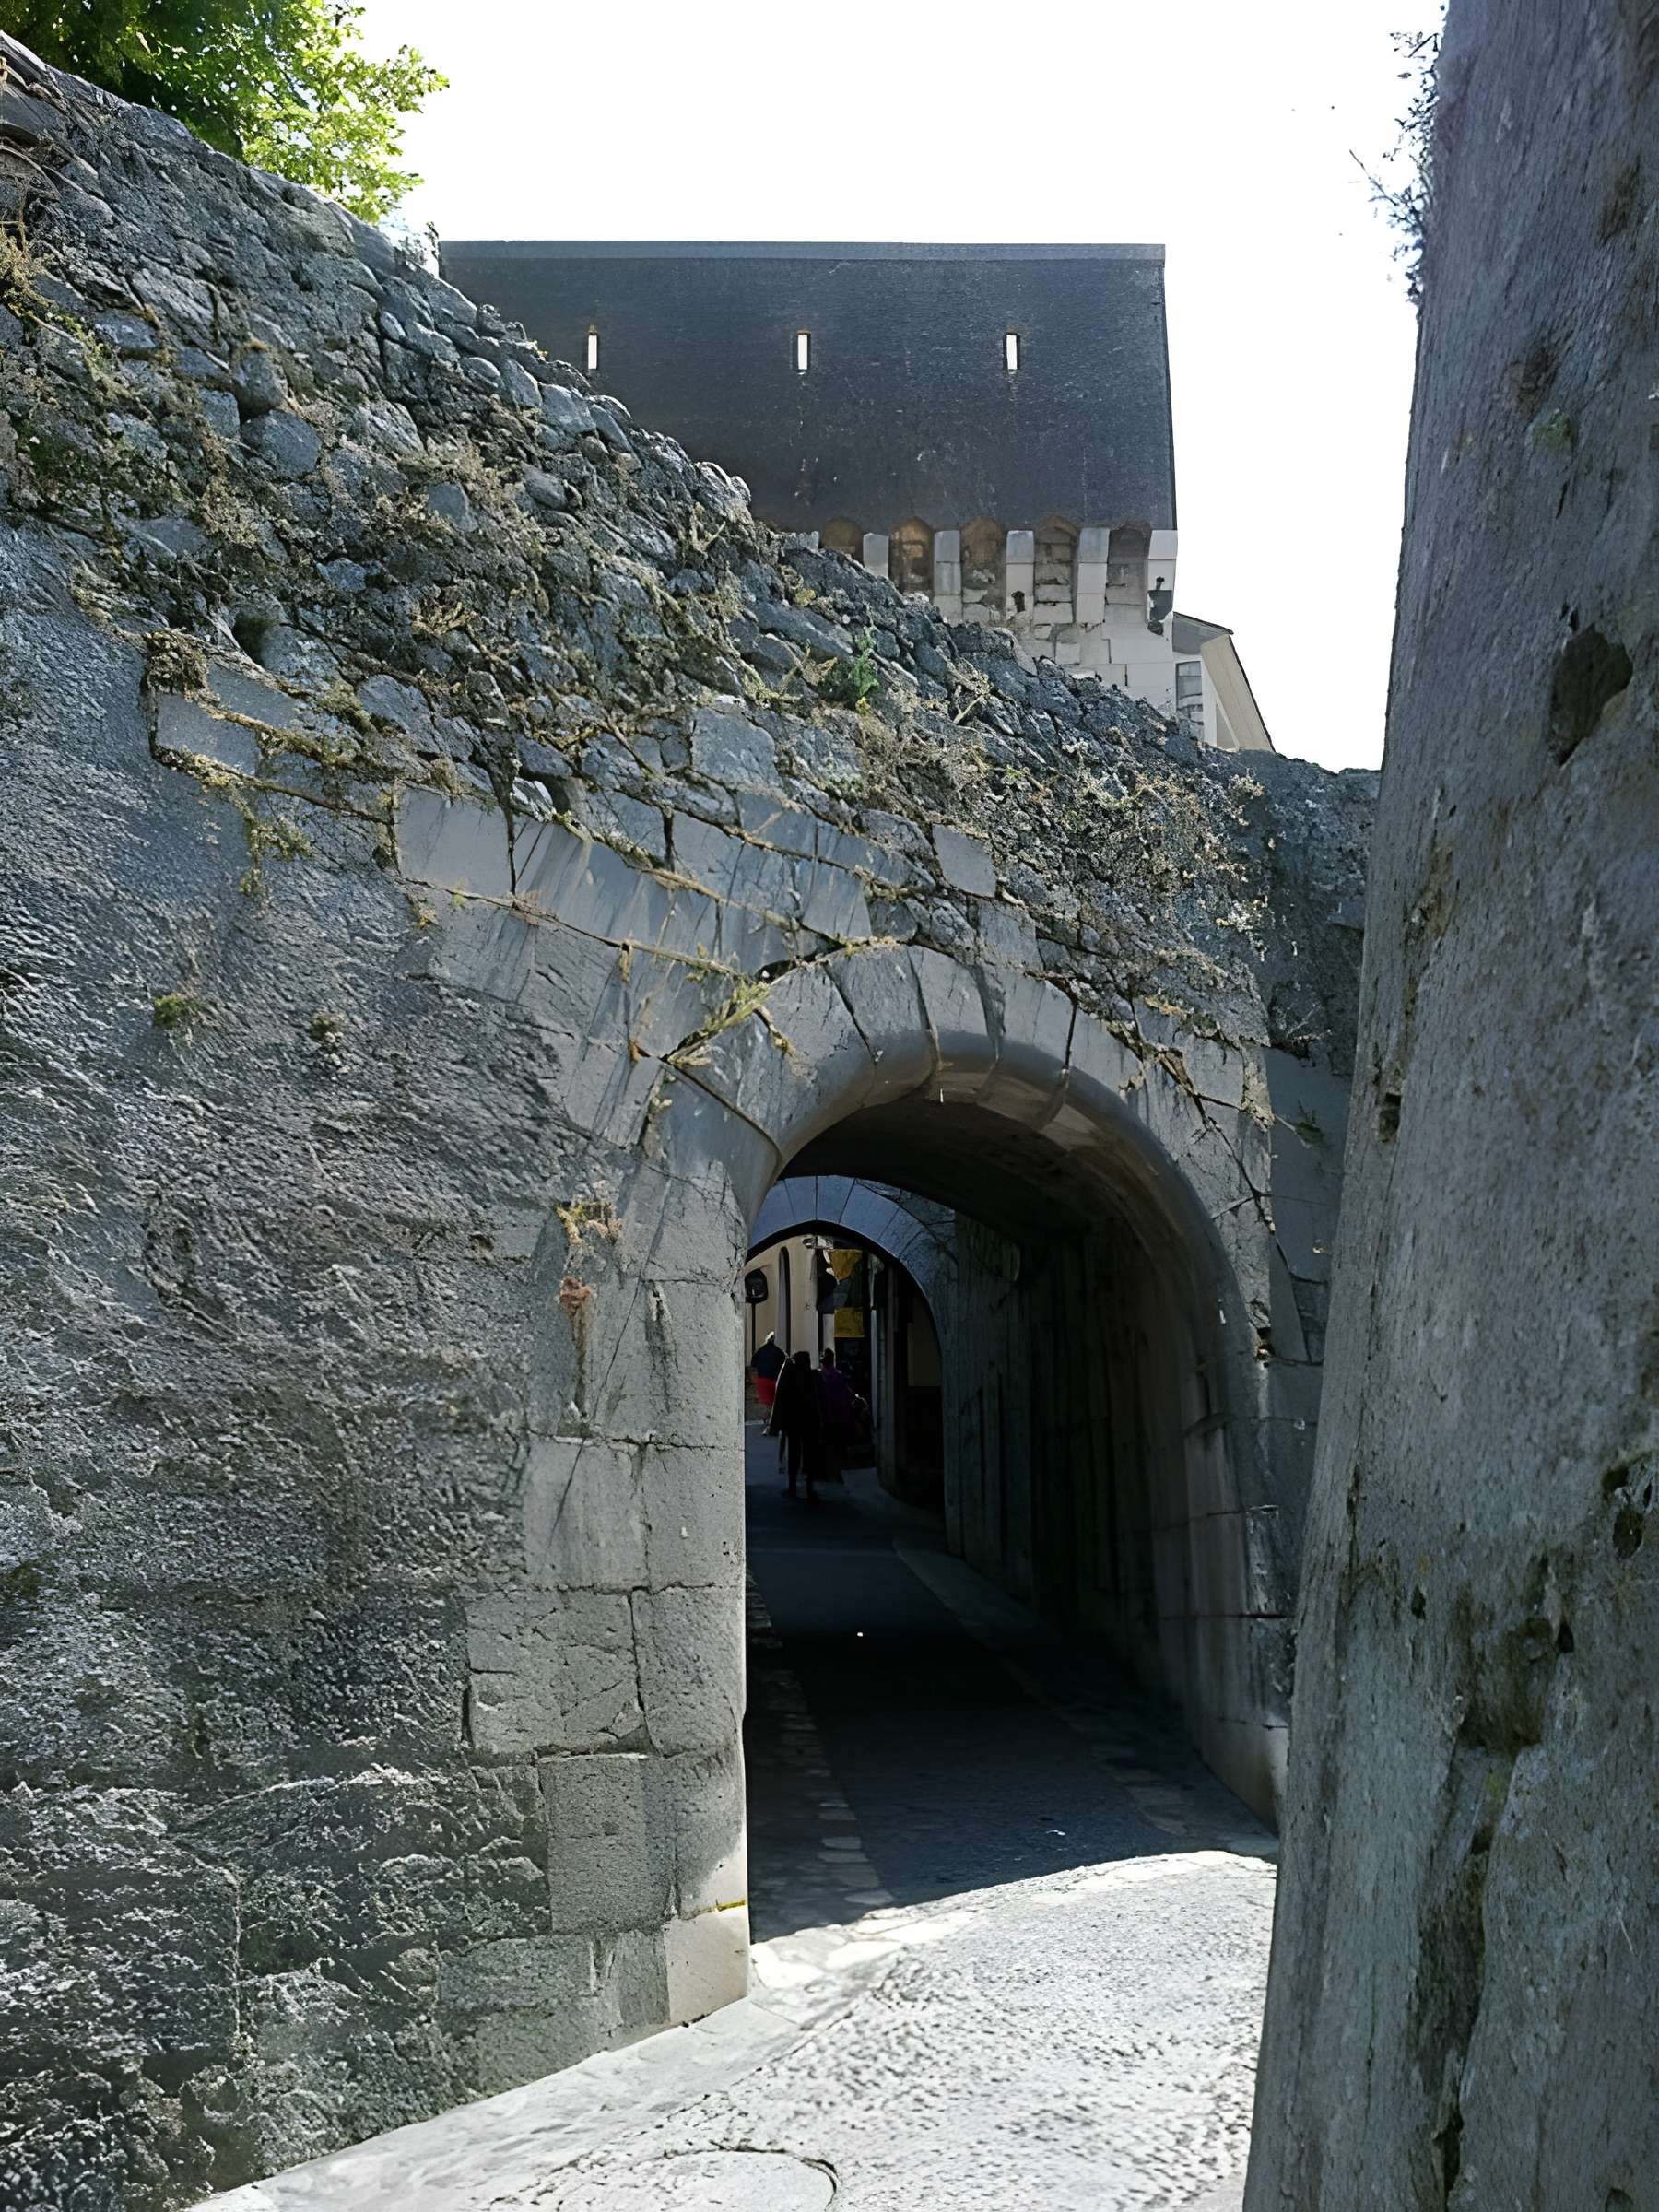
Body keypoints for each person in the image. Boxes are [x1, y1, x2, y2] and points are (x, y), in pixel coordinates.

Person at [767, 1348, 823, 1501]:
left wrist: (776, 1424)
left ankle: (793, 1488)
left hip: (794, 1424)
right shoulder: (814, 1376)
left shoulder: (791, 1377)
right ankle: (809, 1489)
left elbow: (780, 1399)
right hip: (810, 1423)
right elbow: (822, 1401)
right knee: (810, 1456)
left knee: (794, 1456)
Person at [818, 1347, 853, 1484]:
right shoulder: (838, 1376)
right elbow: (845, 1395)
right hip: (837, 1415)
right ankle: (837, 1472)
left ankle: (827, 1472)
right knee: (837, 1446)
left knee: (826, 1445)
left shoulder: (820, 1377)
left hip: (825, 1416)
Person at [751, 1332, 784, 1418]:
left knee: (768, 1405)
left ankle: (767, 1422)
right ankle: (771, 1423)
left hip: (762, 1380)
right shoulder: (780, 1351)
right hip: (774, 1380)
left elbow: (753, 1363)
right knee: (775, 1404)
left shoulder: (761, 1350)